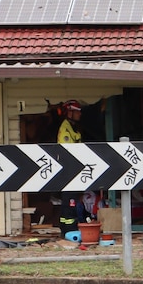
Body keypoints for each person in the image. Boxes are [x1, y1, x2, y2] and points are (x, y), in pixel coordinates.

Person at [57, 100, 83, 237]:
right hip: (68, 172)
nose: (80, 114)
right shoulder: (66, 129)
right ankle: (68, 231)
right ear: (70, 113)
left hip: (74, 171)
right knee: (69, 203)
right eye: (77, 111)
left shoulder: (73, 128)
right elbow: (67, 152)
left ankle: (69, 230)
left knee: (71, 202)